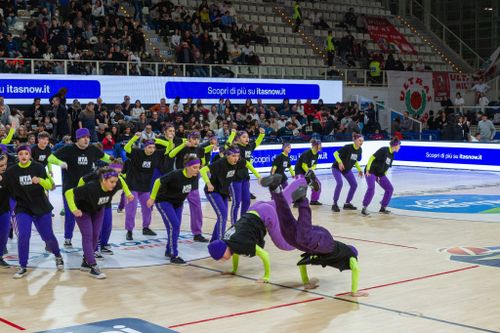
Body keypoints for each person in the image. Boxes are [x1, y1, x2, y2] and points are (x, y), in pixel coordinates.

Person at [262, 175, 368, 297]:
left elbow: (302, 263)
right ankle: (302, 200)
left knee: (288, 232)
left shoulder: (319, 256)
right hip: (327, 242)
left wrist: (306, 283)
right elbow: (355, 268)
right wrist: (354, 291)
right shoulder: (350, 255)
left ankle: (275, 188)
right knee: (304, 237)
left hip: (314, 245)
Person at [208, 176, 322, 287]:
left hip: (266, 215)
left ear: (223, 250)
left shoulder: (240, 243)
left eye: (222, 257)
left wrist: (266, 277)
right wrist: (234, 270)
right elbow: (236, 251)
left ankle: (308, 237)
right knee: (285, 198)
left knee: (285, 244)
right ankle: (306, 180)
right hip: (256, 208)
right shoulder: (228, 240)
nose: (223, 260)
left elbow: (265, 255)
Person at [4, 145, 64, 279]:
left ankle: (58, 255)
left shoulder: (38, 167)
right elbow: (4, 184)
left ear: (30, 155)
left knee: (48, 236)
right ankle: (23, 265)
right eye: (21, 154)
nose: (23, 156)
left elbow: (51, 185)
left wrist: (41, 180)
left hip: (40, 206)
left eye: (26, 153)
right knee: (24, 236)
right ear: (17, 156)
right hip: (22, 208)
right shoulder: (11, 171)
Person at [48, 128, 113, 247]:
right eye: (84, 137)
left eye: (88, 137)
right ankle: (68, 238)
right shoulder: (68, 149)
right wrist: (60, 163)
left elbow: (105, 157)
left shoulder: (92, 148)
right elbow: (50, 158)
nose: (86, 139)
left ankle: (94, 240)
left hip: (86, 189)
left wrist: (114, 161)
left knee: (91, 214)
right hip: (70, 188)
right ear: (77, 139)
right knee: (70, 215)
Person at [65, 167, 129, 279]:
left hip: (98, 210)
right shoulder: (91, 187)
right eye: (111, 182)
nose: (114, 184)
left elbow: (122, 181)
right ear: (103, 180)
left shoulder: (116, 184)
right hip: (83, 211)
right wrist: (74, 209)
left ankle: (86, 261)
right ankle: (93, 266)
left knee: (96, 235)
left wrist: (128, 193)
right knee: (88, 235)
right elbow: (68, 193)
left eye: (115, 181)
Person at [147, 155, 202, 264]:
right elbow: (158, 181)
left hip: (178, 203)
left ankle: (169, 250)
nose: (197, 170)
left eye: (199, 167)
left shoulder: (195, 176)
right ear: (187, 166)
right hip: (164, 201)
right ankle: (173, 255)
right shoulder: (176, 174)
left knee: (174, 228)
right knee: (174, 226)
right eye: (194, 167)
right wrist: (152, 198)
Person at [200, 145, 261, 241]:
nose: (236, 158)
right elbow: (203, 170)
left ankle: (214, 240)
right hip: (213, 192)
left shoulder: (238, 161)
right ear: (227, 155)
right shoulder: (220, 163)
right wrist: (208, 183)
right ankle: (220, 241)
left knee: (222, 217)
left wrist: (258, 176)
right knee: (222, 215)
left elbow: (247, 164)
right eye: (233, 156)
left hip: (224, 192)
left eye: (237, 155)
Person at [78, 161, 133, 255]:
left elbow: (123, 182)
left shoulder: (117, 177)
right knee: (95, 230)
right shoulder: (96, 174)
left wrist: (128, 193)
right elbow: (82, 179)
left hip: (105, 203)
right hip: (92, 205)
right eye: (117, 171)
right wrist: (79, 192)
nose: (118, 175)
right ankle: (94, 250)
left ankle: (103, 245)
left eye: (120, 172)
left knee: (107, 226)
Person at [167, 131, 213, 243]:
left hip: (193, 183)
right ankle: (175, 232)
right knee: (178, 208)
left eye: (198, 138)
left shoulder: (200, 150)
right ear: (189, 139)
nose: (196, 140)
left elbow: (202, 164)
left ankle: (197, 233)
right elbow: (170, 155)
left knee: (197, 208)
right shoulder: (182, 147)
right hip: (179, 182)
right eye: (194, 138)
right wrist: (183, 145)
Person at [123, 132, 164, 240]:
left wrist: (163, 140)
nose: (152, 149)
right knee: (131, 209)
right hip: (132, 184)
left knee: (148, 207)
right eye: (150, 147)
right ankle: (129, 230)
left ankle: (146, 227)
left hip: (145, 186)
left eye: (153, 147)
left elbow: (170, 148)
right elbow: (127, 148)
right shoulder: (137, 152)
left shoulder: (156, 154)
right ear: (144, 147)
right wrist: (134, 137)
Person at [226, 128, 265, 225]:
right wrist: (232, 133)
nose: (247, 139)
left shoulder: (249, 147)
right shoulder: (236, 147)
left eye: (247, 137)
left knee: (247, 201)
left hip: (245, 177)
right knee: (236, 202)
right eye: (244, 137)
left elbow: (257, 143)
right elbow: (227, 145)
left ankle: (242, 222)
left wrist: (261, 134)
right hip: (235, 178)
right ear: (238, 139)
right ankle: (234, 224)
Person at [361, 137, 401, 216]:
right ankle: (364, 207)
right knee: (371, 188)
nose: (399, 147)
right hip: (371, 171)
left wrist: (382, 177)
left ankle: (383, 207)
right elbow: (371, 158)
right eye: (399, 145)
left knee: (389, 188)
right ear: (395, 145)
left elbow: (386, 168)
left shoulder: (392, 155)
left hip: (380, 174)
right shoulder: (384, 150)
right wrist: (368, 169)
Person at [331, 134, 364, 212]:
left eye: (362, 141)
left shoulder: (360, 150)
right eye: (359, 140)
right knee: (340, 183)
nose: (361, 142)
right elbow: (335, 153)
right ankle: (334, 204)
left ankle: (347, 203)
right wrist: (339, 162)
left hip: (347, 169)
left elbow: (355, 160)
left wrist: (359, 169)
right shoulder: (348, 147)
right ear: (355, 140)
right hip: (337, 167)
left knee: (354, 185)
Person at [294, 139, 322, 205]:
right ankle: (297, 202)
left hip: (308, 171)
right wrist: (309, 173)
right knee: (303, 185)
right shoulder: (307, 153)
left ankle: (314, 200)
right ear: (315, 146)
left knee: (317, 184)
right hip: (300, 171)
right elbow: (303, 165)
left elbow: (315, 165)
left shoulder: (317, 154)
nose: (320, 146)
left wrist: (311, 169)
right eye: (319, 145)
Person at [0, 154, 10, 267]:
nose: (3, 167)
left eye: (5, 165)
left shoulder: (8, 176)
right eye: (1, 165)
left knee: (3, 234)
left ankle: (0, 256)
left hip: (5, 210)